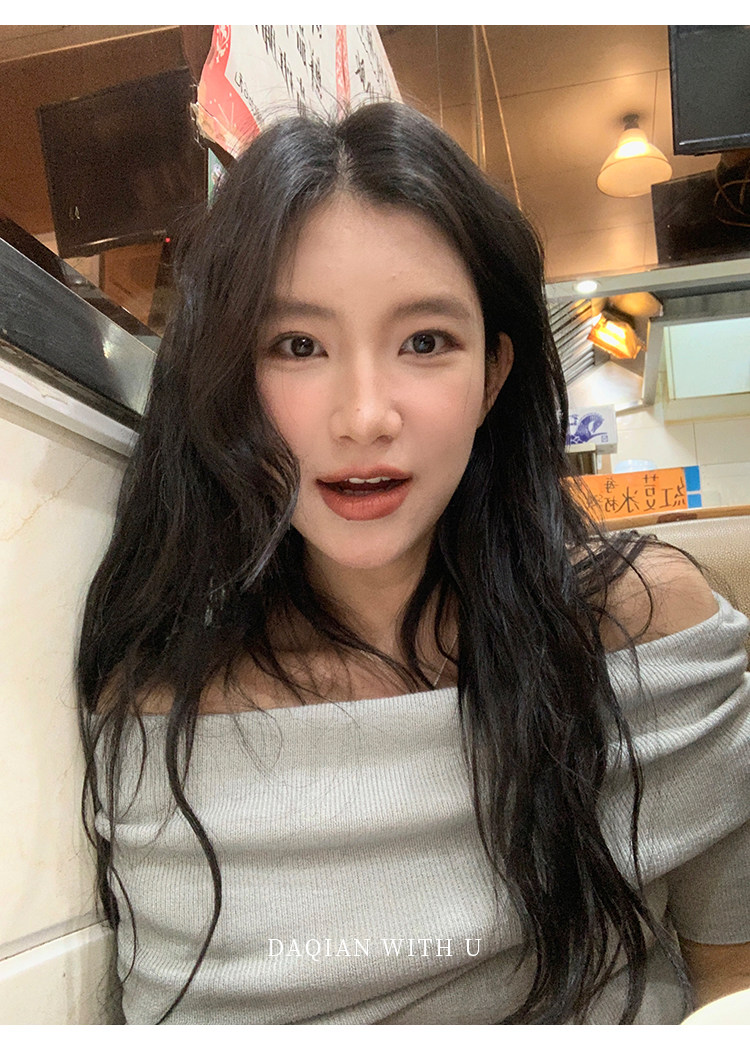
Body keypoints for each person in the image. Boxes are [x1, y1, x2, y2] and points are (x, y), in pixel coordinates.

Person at [77, 101, 750, 1025]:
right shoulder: (161, 707)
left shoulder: (647, 635)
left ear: (494, 374)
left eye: (425, 342)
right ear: (228, 378)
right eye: (298, 346)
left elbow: (733, 979)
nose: (365, 417)